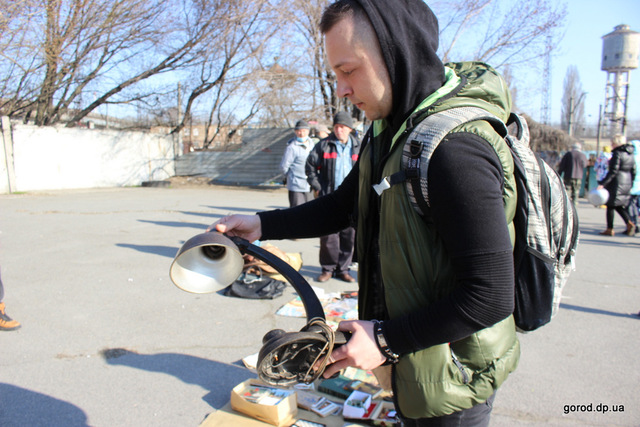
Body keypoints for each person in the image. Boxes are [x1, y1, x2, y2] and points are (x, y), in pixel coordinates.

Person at [210, 1, 518, 424]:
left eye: (348, 70)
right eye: (336, 73)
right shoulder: (388, 129)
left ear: (397, 54)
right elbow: (344, 205)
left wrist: (388, 340)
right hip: (413, 361)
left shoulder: (456, 149)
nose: (340, 88)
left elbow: (491, 295)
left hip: (454, 379)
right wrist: (263, 225)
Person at [306, 111, 360, 283]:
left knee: (348, 236)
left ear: (350, 129)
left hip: (351, 200)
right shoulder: (324, 145)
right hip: (329, 198)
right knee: (328, 236)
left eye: (343, 127)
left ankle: (343, 270)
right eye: (336, 127)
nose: (339, 130)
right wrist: (317, 187)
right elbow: (311, 167)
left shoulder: (359, 146)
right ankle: (328, 269)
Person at [597, 134, 636, 236]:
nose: (611, 145)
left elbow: (613, 171)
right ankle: (629, 222)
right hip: (627, 182)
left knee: (610, 205)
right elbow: (634, 170)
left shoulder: (617, 153)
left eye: (612, 143)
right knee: (619, 205)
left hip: (616, 182)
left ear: (617, 142)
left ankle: (610, 229)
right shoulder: (631, 154)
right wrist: (631, 183)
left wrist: (603, 183)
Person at [281, 120, 314, 207]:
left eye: (304, 131)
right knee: (297, 211)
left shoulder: (313, 145)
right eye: (299, 131)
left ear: (308, 131)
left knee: (311, 211)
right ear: (295, 132)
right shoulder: (292, 147)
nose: (301, 133)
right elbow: (284, 166)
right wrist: (288, 178)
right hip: (296, 185)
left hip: (310, 184)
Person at [557, 142, 588, 206]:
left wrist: (559, 174)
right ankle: (574, 204)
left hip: (568, 175)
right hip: (578, 176)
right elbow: (585, 165)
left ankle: (566, 204)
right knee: (576, 191)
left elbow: (562, 165)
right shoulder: (582, 155)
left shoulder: (568, 154)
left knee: (567, 190)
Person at [627, 140, 640, 233]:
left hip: (633, 185)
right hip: (638, 186)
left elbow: (632, 173)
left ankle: (633, 223)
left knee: (631, 205)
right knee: (636, 205)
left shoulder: (632, 158)